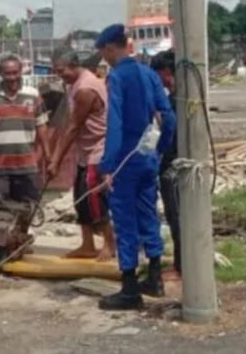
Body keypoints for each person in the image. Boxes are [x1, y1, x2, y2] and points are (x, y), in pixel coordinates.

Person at [94, 24, 176, 311]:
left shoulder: (117, 77)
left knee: (125, 222)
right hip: (147, 158)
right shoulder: (148, 73)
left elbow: (114, 124)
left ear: (110, 48)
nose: (104, 58)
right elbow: (168, 117)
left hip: (125, 162)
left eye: (103, 52)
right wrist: (161, 148)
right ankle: (154, 277)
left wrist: (107, 165)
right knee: (148, 215)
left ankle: (129, 288)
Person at [48, 48, 116, 261]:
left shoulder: (85, 88)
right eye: (57, 72)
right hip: (84, 150)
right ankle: (87, 244)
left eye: (62, 71)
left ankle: (109, 243)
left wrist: (56, 159)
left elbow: (74, 126)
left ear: (74, 66)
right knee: (80, 199)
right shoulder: (72, 85)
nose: (61, 76)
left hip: (98, 149)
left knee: (95, 199)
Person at [0, 53, 51, 204]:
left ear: (21, 70)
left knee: (28, 209)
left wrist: (47, 155)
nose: (12, 77)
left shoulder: (33, 94)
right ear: (0, 73)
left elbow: (42, 126)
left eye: (15, 72)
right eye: (7, 73)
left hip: (27, 164)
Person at [150, 49, 181, 277]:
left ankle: (181, 265)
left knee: (176, 215)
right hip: (179, 163)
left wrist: (158, 152)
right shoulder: (180, 97)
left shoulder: (172, 101)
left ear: (166, 73)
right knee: (178, 216)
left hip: (172, 164)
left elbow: (169, 128)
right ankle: (182, 262)